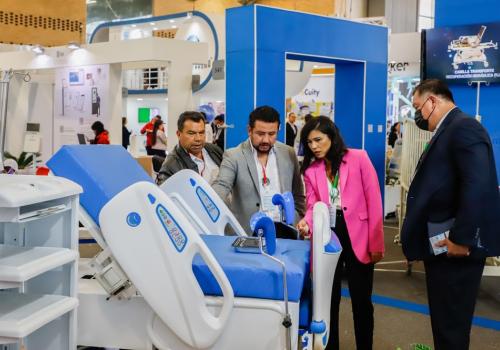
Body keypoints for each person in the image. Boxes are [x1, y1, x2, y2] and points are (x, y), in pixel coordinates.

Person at [401, 79, 500, 350]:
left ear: (433, 101)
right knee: (445, 324)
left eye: (418, 106)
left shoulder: (464, 128)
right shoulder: (451, 129)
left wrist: (462, 238)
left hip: (455, 248)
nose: (418, 114)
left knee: (451, 328)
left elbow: (478, 185)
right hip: (442, 246)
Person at [296, 116, 384, 350]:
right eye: (309, 142)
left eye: (318, 139)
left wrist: (376, 244)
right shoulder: (311, 170)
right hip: (328, 234)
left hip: (359, 234)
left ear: (331, 137)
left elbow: (374, 201)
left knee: (361, 299)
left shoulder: (358, 158)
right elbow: (313, 205)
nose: (313, 146)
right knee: (327, 298)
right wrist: (306, 223)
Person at [212, 105, 305, 234]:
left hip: (286, 229)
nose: (266, 140)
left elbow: (298, 194)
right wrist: (209, 201)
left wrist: (297, 218)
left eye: (272, 134)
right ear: (249, 130)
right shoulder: (234, 155)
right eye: (260, 134)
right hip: (249, 232)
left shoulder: (288, 153)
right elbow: (221, 185)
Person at [156, 111, 223, 185]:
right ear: (178, 134)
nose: (198, 138)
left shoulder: (214, 150)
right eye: (191, 133)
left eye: (201, 133)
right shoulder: (171, 165)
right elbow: (164, 193)